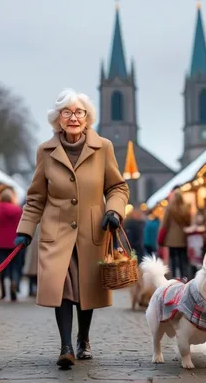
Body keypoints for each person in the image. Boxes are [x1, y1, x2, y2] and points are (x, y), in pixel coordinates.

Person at [14, 88, 129, 367]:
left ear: (87, 117)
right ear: (58, 119)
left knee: (85, 289)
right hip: (56, 231)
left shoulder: (104, 147)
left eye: (79, 112)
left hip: (92, 231)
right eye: (67, 112)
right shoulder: (46, 151)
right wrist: (25, 230)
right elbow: (36, 196)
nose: (73, 117)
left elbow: (117, 186)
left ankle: (84, 339)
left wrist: (114, 210)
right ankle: (66, 345)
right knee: (62, 288)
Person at [0, 188, 23, 301]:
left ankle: (3, 291)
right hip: (15, 242)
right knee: (15, 266)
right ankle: (14, 284)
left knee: (1, 267)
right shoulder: (18, 209)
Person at [157, 189, 191, 279]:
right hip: (183, 238)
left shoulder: (169, 208)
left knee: (173, 260)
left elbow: (165, 223)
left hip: (171, 239)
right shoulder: (186, 208)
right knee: (183, 259)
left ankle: (175, 278)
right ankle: (185, 278)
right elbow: (189, 222)